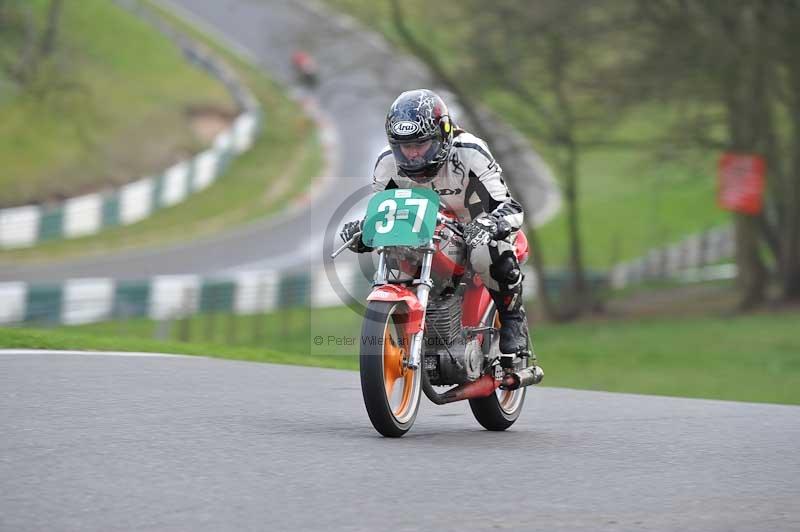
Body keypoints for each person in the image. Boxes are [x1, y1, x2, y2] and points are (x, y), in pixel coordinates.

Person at [340, 88, 531, 366]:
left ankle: (513, 319)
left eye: (421, 144)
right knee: (394, 251)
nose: (413, 155)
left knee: (484, 251)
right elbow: (384, 213)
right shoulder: (387, 164)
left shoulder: (470, 152)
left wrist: (489, 224)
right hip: (426, 232)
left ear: (442, 135)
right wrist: (365, 231)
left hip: (475, 229)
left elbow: (509, 207)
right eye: (405, 146)